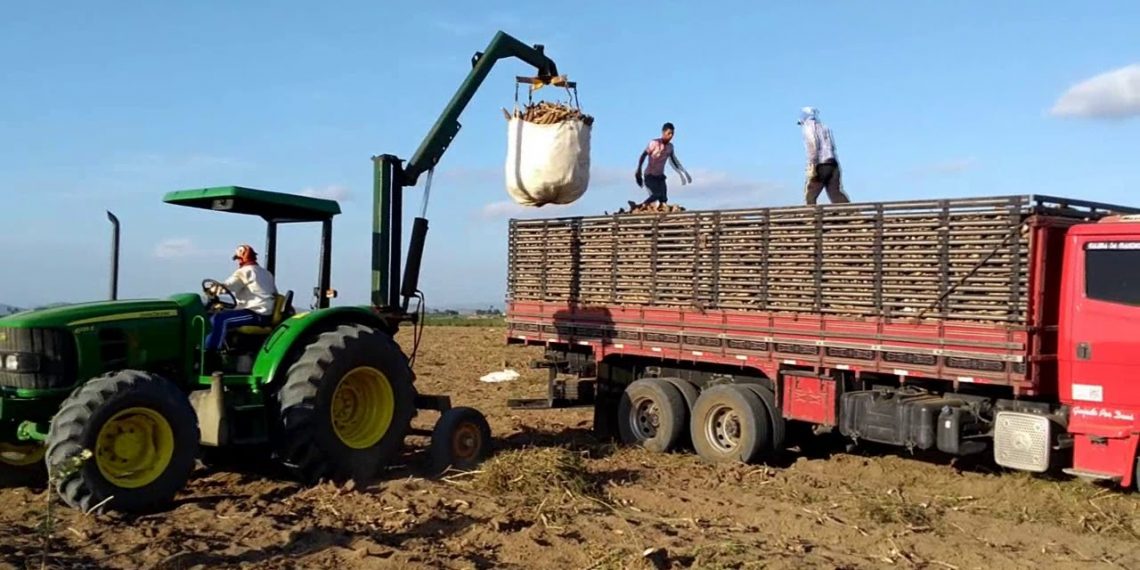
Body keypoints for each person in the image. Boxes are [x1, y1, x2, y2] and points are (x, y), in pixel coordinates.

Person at [204, 244, 278, 352]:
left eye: (238, 259)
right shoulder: (266, 273)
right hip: (264, 312)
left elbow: (228, 285)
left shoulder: (245, 271)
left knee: (219, 319)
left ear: (243, 258)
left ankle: (209, 353)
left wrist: (212, 289)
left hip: (256, 313)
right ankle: (228, 347)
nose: (238, 262)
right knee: (221, 313)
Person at [799, 107, 850, 205]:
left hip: (821, 164)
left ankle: (811, 216)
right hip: (833, 164)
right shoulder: (824, 127)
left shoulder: (808, 127)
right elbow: (832, 146)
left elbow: (812, 145)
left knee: (810, 193)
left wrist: (811, 165)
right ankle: (853, 215)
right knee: (836, 193)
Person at [635, 122, 692, 207]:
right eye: (669, 133)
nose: (671, 136)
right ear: (663, 132)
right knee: (656, 194)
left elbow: (673, 160)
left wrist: (682, 172)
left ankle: (660, 215)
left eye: (672, 134)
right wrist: (638, 170)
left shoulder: (670, 147)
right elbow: (643, 155)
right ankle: (641, 206)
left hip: (660, 177)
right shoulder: (654, 143)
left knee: (664, 199)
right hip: (650, 176)